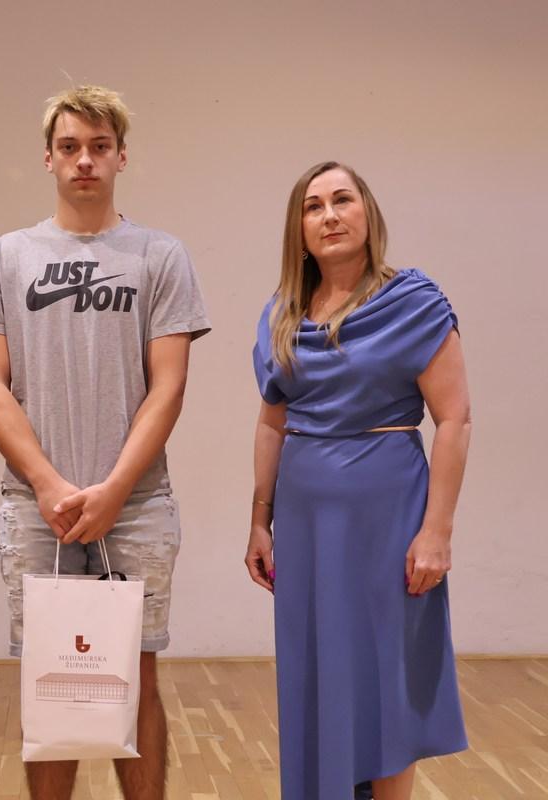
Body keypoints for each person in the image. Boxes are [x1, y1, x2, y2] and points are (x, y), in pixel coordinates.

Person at [0, 85, 210, 799]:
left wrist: (115, 490)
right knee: (49, 680)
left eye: (100, 147)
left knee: (138, 676)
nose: (85, 161)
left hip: (137, 505)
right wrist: (48, 484)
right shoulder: (7, 256)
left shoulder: (161, 255)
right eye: (70, 147)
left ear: (122, 155)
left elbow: (168, 387)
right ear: (48, 158)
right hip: (35, 508)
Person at [245, 161, 470, 799]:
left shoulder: (414, 302)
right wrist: (260, 519)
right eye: (313, 206)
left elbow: (454, 419)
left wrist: (437, 531)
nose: (330, 215)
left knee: (385, 679)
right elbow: (271, 423)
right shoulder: (282, 314)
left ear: (367, 212)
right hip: (306, 524)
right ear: (299, 229)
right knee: (316, 671)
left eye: (342, 200)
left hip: (387, 517)